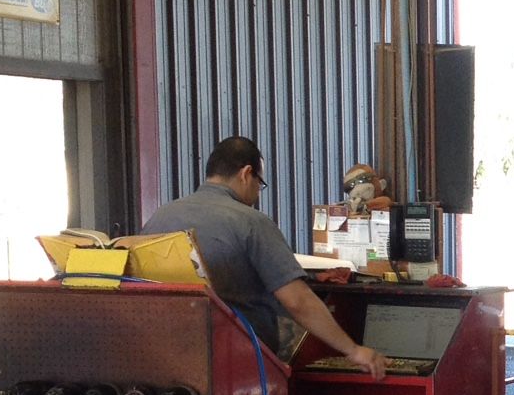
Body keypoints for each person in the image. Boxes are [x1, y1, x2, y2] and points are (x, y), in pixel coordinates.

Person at [143, 136, 385, 378]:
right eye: (260, 183)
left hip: (166, 365)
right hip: (238, 367)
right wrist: (353, 350)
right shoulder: (251, 222)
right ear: (246, 174)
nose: (258, 194)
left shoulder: (160, 218)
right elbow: (297, 301)